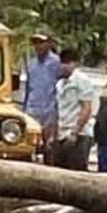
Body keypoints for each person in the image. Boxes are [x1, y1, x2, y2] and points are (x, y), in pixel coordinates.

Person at [53, 47, 100, 171]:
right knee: (59, 170)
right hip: (62, 133)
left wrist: (75, 132)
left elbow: (86, 108)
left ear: (75, 63)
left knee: (77, 170)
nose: (64, 66)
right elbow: (59, 110)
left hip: (79, 135)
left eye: (68, 63)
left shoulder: (81, 81)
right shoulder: (59, 84)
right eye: (62, 63)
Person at [21, 28, 63, 156]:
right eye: (35, 42)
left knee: (49, 147)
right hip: (32, 110)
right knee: (29, 145)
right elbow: (28, 87)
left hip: (49, 111)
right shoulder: (31, 64)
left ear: (49, 43)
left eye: (41, 42)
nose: (38, 46)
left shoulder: (57, 63)